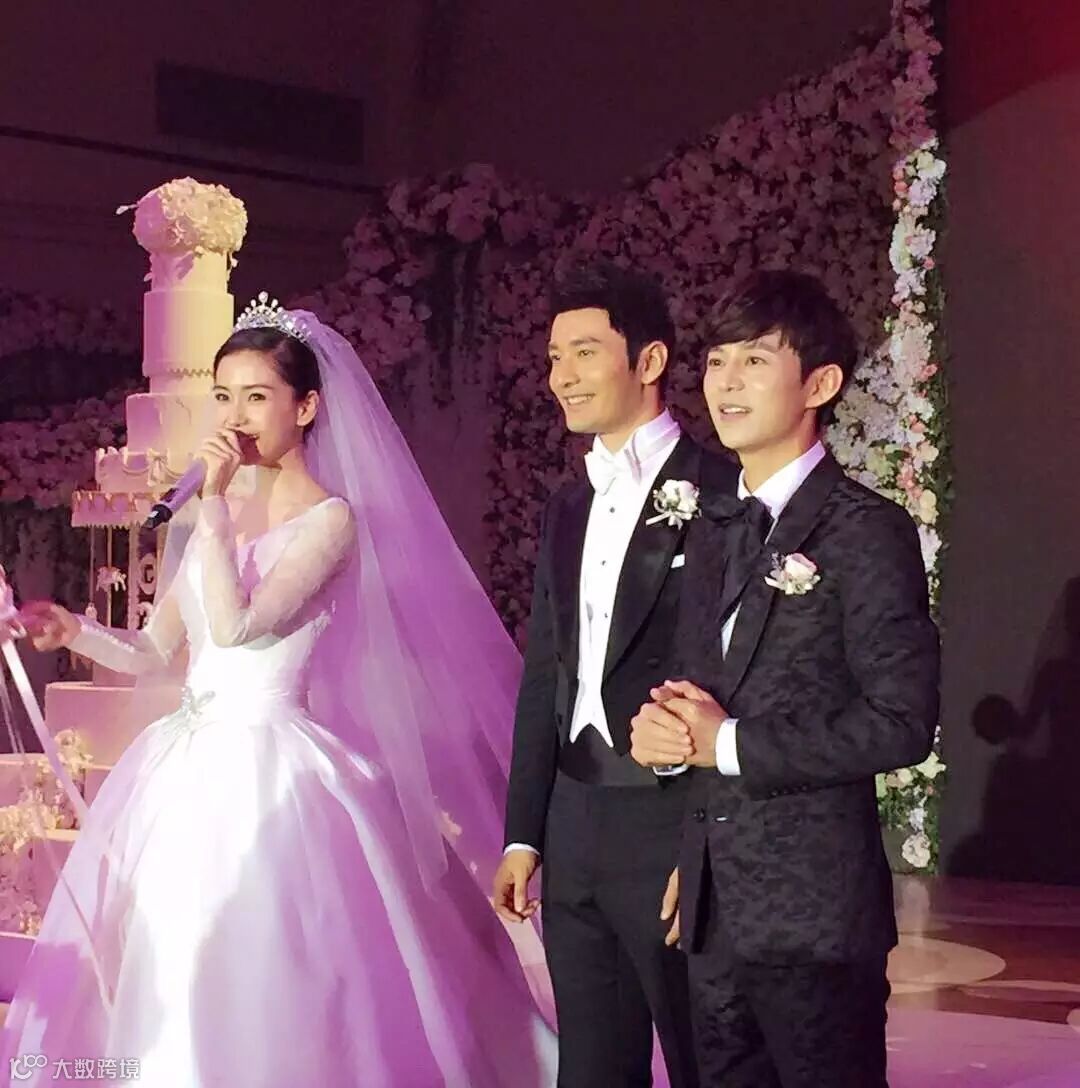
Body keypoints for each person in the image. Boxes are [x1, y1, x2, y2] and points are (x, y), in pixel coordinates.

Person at [3, 300, 557, 1087]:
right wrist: (75, 630)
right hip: (183, 766)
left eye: (257, 397)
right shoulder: (208, 518)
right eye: (223, 396)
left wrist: (214, 506)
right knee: (173, 951)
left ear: (306, 407)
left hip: (273, 770)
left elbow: (237, 628)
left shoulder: (330, 521)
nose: (235, 417)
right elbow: (156, 649)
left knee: (285, 963)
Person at [630, 269, 940, 1087]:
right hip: (711, 912)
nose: (726, 382)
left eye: (755, 361)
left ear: (820, 384)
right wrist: (664, 740)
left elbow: (901, 721)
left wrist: (726, 744)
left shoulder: (865, 530)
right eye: (717, 361)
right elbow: (698, 699)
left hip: (814, 921)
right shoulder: (713, 524)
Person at [493, 260, 735, 1087]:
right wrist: (525, 832)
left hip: (671, 820)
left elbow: (738, 675)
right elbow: (546, 673)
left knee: (706, 1059)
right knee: (592, 1067)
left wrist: (705, 842)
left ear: (650, 360)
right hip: (574, 822)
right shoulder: (568, 504)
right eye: (554, 357)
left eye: (585, 353)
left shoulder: (722, 492)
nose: (562, 375)